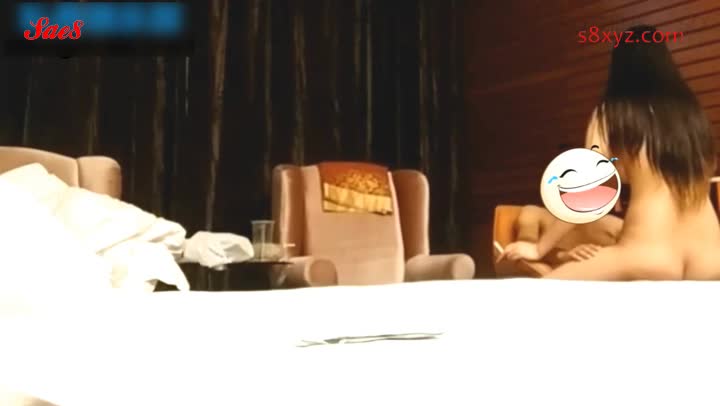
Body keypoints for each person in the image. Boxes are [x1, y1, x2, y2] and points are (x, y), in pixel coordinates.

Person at [498, 24, 720, 280]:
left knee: (539, 291)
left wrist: (539, 248)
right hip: (710, 256)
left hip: (647, 251)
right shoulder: (693, 118)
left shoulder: (612, 114)